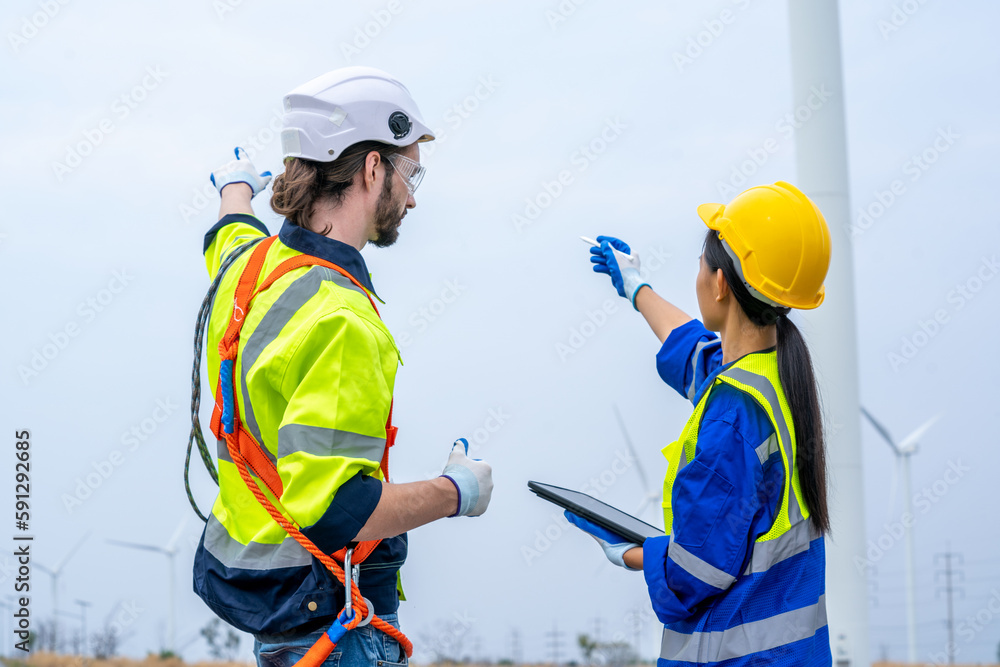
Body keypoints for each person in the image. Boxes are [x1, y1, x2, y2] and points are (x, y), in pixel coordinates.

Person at [191, 66, 494, 667]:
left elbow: (229, 234)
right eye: (410, 173)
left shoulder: (246, 272)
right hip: (334, 632)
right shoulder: (341, 321)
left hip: (271, 619)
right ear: (373, 168)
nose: (412, 196)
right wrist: (455, 493)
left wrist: (236, 186)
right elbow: (334, 512)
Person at [566, 182, 833, 665]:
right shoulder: (775, 376)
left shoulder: (733, 420)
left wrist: (626, 550)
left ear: (720, 283)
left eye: (701, 262)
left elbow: (692, 576)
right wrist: (636, 286)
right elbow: (694, 350)